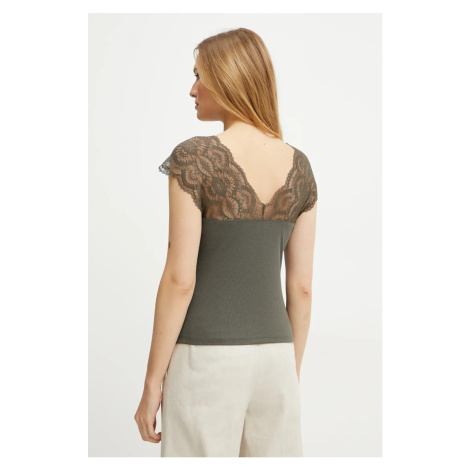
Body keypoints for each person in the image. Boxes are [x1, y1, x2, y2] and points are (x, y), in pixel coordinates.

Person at [134, 27, 318, 457]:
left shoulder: (196, 157)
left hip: (207, 358)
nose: (192, 89)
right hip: (277, 358)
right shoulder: (300, 166)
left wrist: (152, 384)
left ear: (228, 78)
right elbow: (302, 289)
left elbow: (180, 279)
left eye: (199, 76)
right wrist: (287, 374)